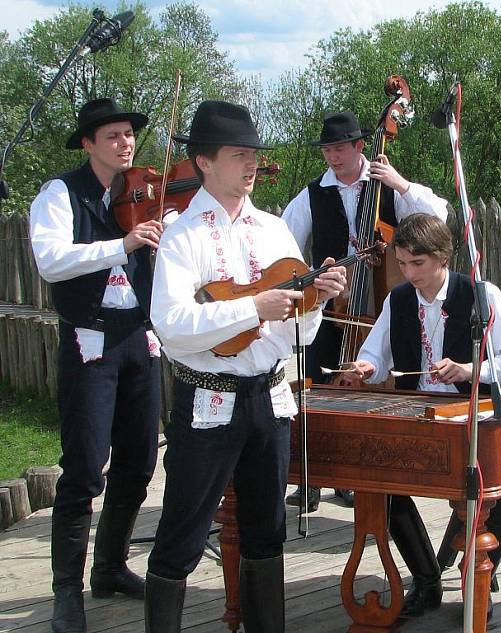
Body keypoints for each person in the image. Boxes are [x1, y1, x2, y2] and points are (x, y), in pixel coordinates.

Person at [144, 100, 347, 633]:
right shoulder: (181, 236)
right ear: (204, 162)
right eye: (239, 155)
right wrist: (252, 307)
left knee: (266, 532)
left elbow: (297, 335)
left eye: (254, 154)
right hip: (207, 400)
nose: (252, 164)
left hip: (269, 398)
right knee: (182, 534)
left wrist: (317, 301)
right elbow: (170, 323)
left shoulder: (274, 229)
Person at [339, 214, 501, 620]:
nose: (409, 273)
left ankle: (476, 579)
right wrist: (365, 367)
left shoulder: (482, 294)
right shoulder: (398, 299)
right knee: (380, 485)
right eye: (404, 263)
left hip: (471, 414)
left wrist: (467, 369)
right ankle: (426, 580)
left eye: (418, 264)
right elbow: (377, 354)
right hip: (417, 413)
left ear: (442, 257)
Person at [29, 98, 164, 633]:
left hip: (138, 337)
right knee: (84, 468)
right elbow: (51, 260)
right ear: (88, 144)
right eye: (112, 136)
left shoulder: (145, 193)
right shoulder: (60, 193)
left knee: (139, 462)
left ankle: (109, 567)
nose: (125, 143)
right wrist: (122, 243)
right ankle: (67, 593)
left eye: (128, 134)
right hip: (89, 339)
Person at [282, 111, 449, 511]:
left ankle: (363, 474)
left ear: (360, 146)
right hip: (332, 306)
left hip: (377, 307)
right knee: (316, 387)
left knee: (371, 392)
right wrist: (310, 282)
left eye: (339, 147)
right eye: (326, 149)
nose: (332, 156)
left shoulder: (386, 185)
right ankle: (310, 477)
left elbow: (438, 217)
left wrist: (399, 182)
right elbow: (284, 245)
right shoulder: (314, 193)